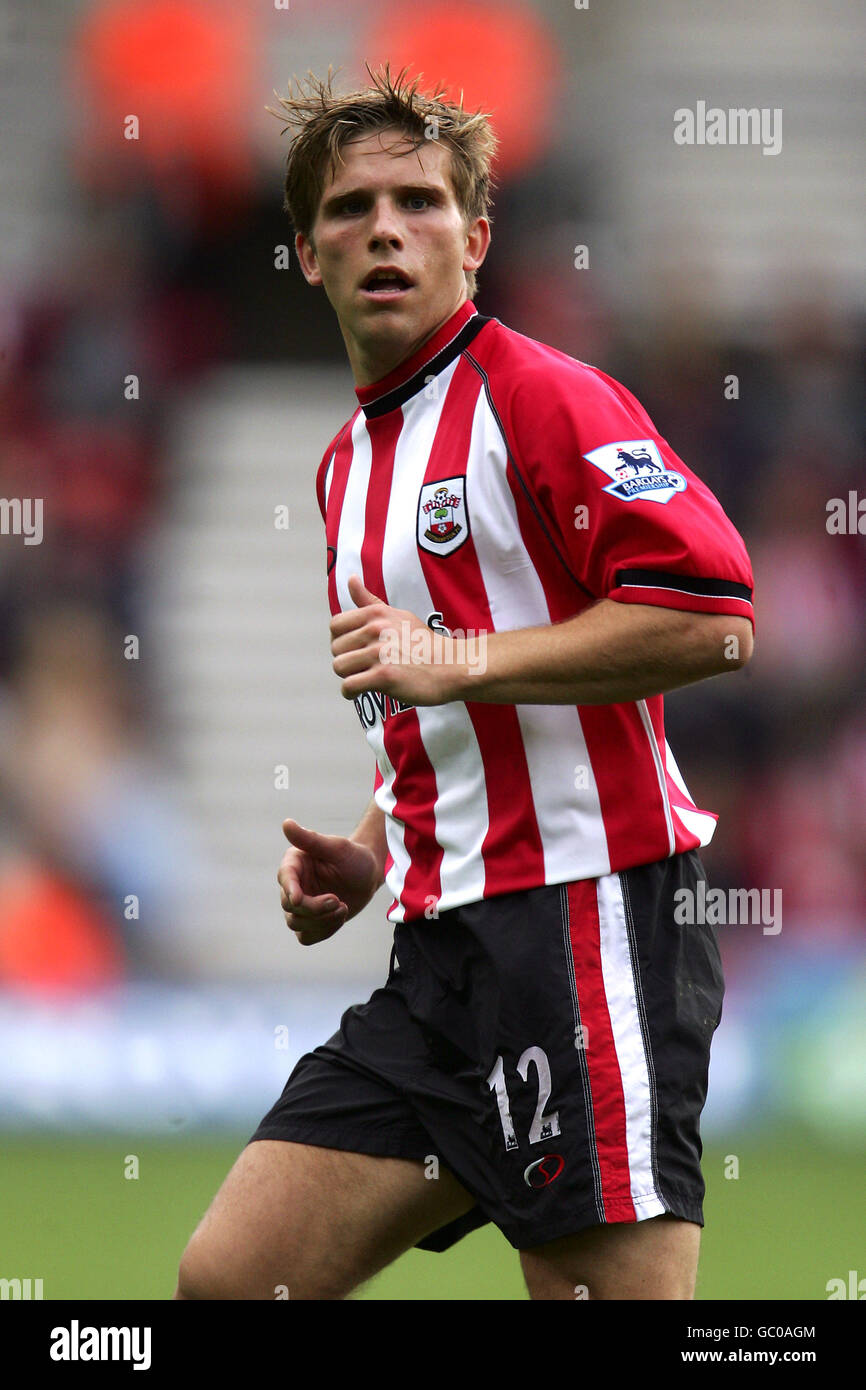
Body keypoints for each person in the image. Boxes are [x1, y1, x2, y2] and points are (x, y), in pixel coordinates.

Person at [174, 66, 755, 1302]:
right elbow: (431, 703)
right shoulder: (346, 466)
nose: (385, 227)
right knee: (231, 1280)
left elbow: (711, 619)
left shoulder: (541, 397)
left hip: (587, 923)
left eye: (420, 202)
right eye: (350, 208)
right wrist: (373, 842)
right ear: (306, 253)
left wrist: (464, 658)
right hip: (439, 952)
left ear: (475, 239)